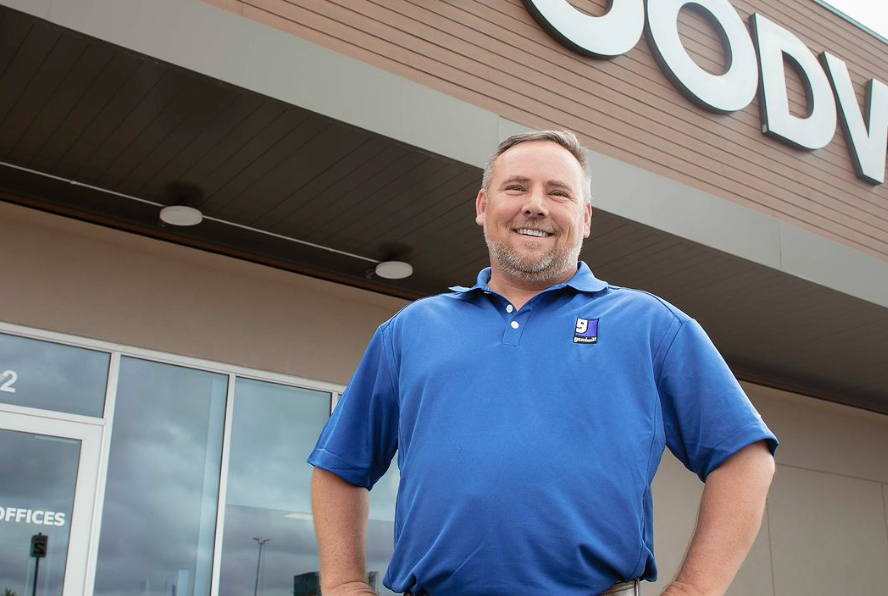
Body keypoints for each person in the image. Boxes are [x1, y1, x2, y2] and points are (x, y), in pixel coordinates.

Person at [308, 130, 778, 596]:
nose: (535, 205)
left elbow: (744, 458)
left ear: (585, 217)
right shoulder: (409, 330)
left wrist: (694, 589)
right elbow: (339, 464)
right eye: (516, 187)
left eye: (559, 193)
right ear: (481, 206)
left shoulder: (652, 326)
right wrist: (344, 583)